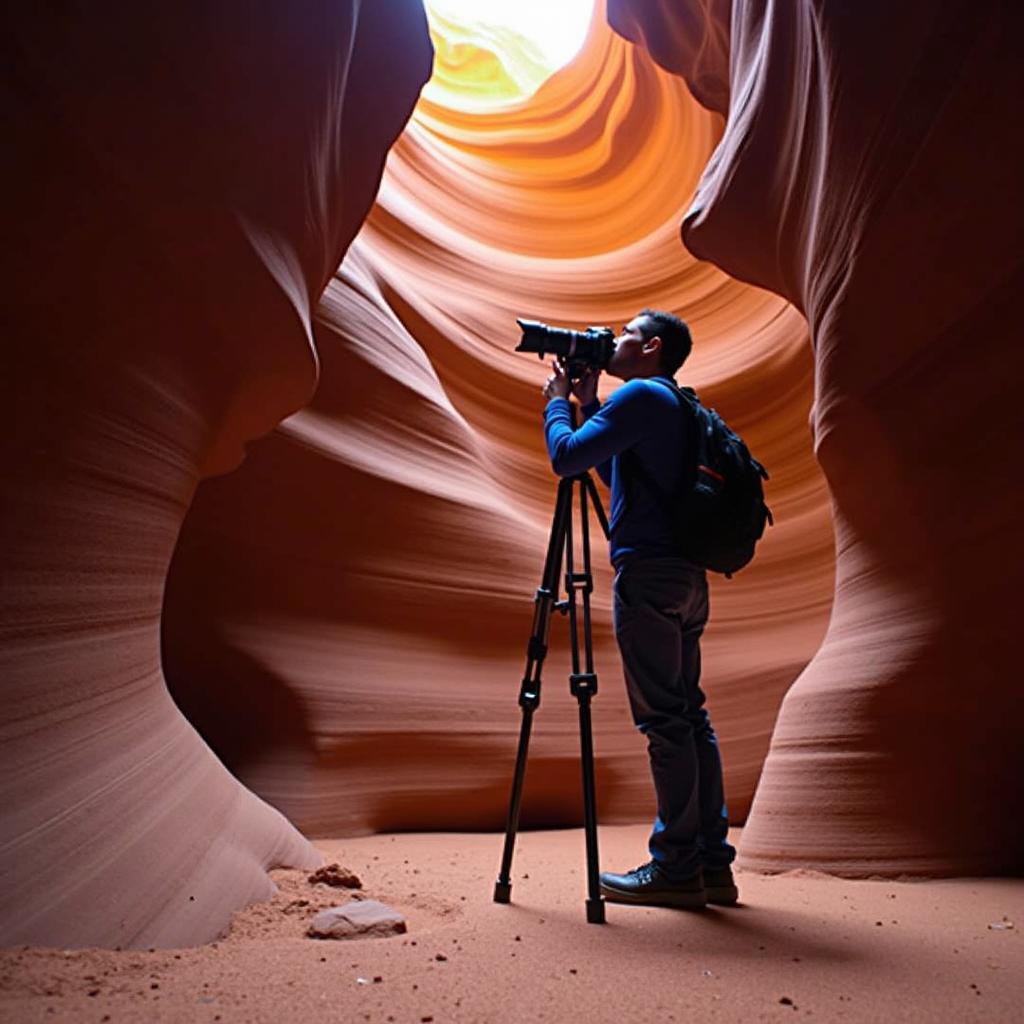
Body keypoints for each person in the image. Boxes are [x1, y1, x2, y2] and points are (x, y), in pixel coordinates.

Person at [541, 309, 738, 909]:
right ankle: (711, 866)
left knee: (664, 722)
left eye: (623, 334)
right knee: (688, 716)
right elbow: (614, 474)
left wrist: (555, 405)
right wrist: (593, 400)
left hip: (649, 577)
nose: (610, 340)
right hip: (686, 578)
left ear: (651, 347)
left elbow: (567, 458)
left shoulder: (643, 397)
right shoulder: (671, 402)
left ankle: (675, 866)